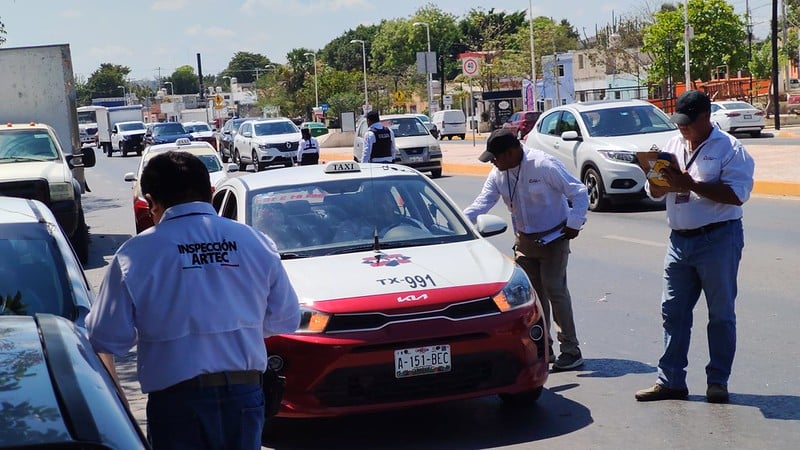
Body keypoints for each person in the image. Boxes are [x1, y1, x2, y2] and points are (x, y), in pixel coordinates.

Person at [85, 151, 301, 449]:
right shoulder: (255, 242)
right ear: (210, 193)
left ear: (151, 202)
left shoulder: (136, 254)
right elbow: (287, 319)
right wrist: (238, 324)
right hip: (245, 395)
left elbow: (105, 337)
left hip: (177, 404)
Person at [635, 90, 754, 404]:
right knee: (672, 312)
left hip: (718, 239)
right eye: (679, 122)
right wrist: (655, 178)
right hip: (679, 242)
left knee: (721, 315)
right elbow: (656, 193)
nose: (682, 128)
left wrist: (692, 185)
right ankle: (671, 380)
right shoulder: (672, 144)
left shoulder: (729, 149)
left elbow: (737, 195)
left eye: (688, 122)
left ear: (706, 117)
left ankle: (717, 382)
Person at [463, 129, 589, 371]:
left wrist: (574, 223)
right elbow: (483, 202)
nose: (492, 162)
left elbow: (578, 191)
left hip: (555, 237)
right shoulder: (498, 173)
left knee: (555, 289)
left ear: (511, 153)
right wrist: (457, 221)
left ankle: (571, 350)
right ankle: (544, 348)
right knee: (533, 299)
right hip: (525, 241)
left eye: (495, 157)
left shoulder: (543, 164)